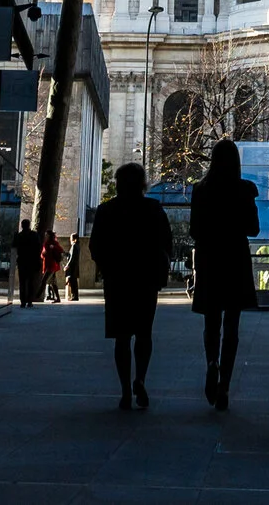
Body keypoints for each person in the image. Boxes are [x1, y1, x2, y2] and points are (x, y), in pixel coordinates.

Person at [90, 162, 172, 409]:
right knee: (144, 334)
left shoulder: (106, 210)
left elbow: (96, 246)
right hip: (146, 280)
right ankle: (140, 378)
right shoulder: (153, 208)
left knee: (122, 338)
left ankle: (125, 390)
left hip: (118, 281)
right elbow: (166, 242)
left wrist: (108, 268)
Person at [188, 139, 260, 410]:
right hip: (235, 259)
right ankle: (225, 386)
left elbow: (194, 230)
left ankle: (211, 362)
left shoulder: (201, 190)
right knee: (232, 325)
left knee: (211, 321)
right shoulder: (244, 189)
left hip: (210, 259)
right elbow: (253, 229)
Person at [13, 217, 43, 306]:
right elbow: (38, 248)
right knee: (31, 282)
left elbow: (14, 246)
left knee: (22, 282)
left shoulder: (19, 236)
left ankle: (23, 301)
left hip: (22, 261)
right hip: (32, 261)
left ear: (22, 226)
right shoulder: (34, 235)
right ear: (29, 225)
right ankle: (29, 301)